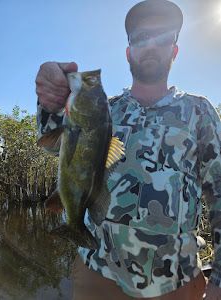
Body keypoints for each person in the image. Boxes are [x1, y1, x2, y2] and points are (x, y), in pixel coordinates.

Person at [35, 1, 221, 299]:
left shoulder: (199, 111)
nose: (151, 45)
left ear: (174, 50)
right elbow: (56, 147)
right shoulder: (103, 111)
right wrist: (49, 101)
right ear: (128, 52)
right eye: (140, 38)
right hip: (98, 274)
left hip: (177, 282)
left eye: (163, 37)